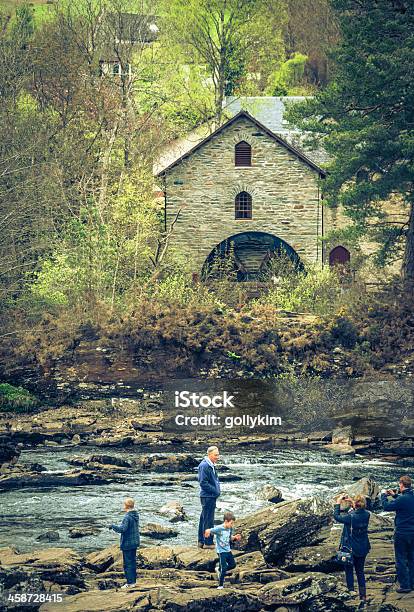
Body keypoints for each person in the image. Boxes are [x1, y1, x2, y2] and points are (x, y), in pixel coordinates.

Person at [334, 493, 371, 607]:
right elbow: (359, 511)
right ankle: (363, 595)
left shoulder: (350, 517)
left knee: (349, 569)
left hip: (351, 548)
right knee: (360, 571)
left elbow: (337, 516)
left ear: (355, 504)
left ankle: (351, 590)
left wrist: (338, 503)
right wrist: (352, 502)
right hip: (363, 547)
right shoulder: (367, 514)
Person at [381, 475, 414, 593]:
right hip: (413, 532)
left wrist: (383, 495)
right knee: (412, 558)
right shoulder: (410, 496)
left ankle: (405, 585)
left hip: (402, 533)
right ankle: (412, 583)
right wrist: (395, 495)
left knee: (400, 559)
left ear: (401, 484)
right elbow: (405, 502)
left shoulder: (401, 499)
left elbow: (386, 507)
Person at [109, 497, 140, 589]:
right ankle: (133, 582)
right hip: (134, 542)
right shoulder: (135, 515)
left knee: (127, 564)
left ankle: (130, 583)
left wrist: (112, 526)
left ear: (126, 506)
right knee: (133, 563)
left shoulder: (127, 517)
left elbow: (122, 529)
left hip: (128, 544)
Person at [205, 511, 241, 589]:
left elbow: (229, 537)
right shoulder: (219, 528)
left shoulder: (229, 528)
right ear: (226, 521)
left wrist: (235, 537)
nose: (232, 525)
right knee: (224, 567)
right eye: (231, 523)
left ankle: (219, 569)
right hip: (221, 551)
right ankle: (220, 585)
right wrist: (207, 532)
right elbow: (209, 530)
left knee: (233, 565)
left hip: (228, 550)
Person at [198, 445, 221, 549]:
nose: (218, 457)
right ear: (209, 454)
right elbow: (203, 483)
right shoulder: (204, 466)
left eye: (218, 455)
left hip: (209, 496)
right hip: (208, 496)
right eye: (216, 455)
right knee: (208, 520)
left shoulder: (210, 464)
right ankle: (208, 542)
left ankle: (201, 541)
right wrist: (215, 491)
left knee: (204, 519)